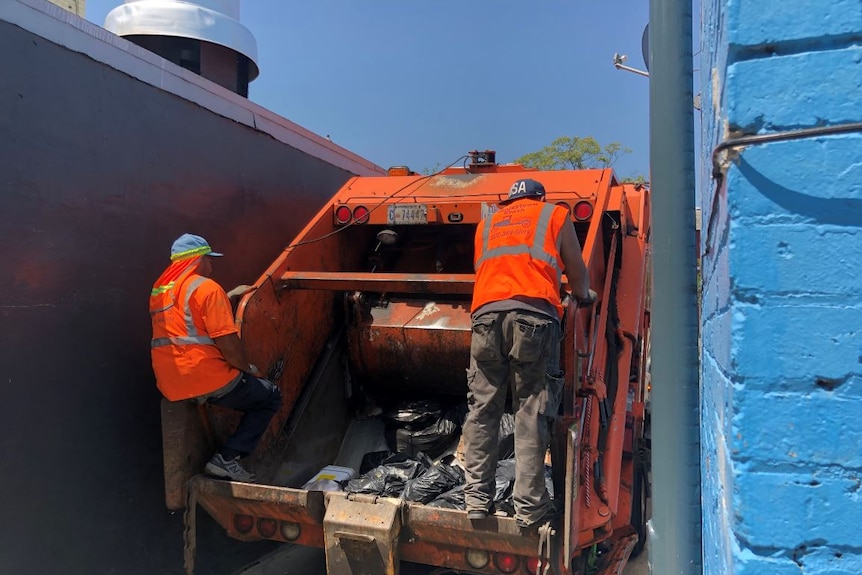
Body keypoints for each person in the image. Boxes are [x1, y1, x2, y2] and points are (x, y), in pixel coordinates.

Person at [463, 178, 594, 528]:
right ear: (540, 197)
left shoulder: (487, 225)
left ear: (509, 201)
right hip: (534, 317)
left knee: (483, 409)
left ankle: (476, 499)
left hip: (486, 317)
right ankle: (530, 507)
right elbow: (577, 273)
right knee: (530, 411)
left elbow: (489, 271)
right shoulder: (553, 215)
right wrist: (583, 293)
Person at [149, 233, 281, 482]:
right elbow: (228, 344)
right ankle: (227, 459)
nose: (211, 265)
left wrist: (228, 296)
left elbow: (187, 320)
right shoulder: (208, 289)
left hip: (171, 384)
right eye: (209, 260)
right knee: (269, 397)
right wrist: (248, 369)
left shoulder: (160, 292)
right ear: (197, 260)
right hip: (205, 378)